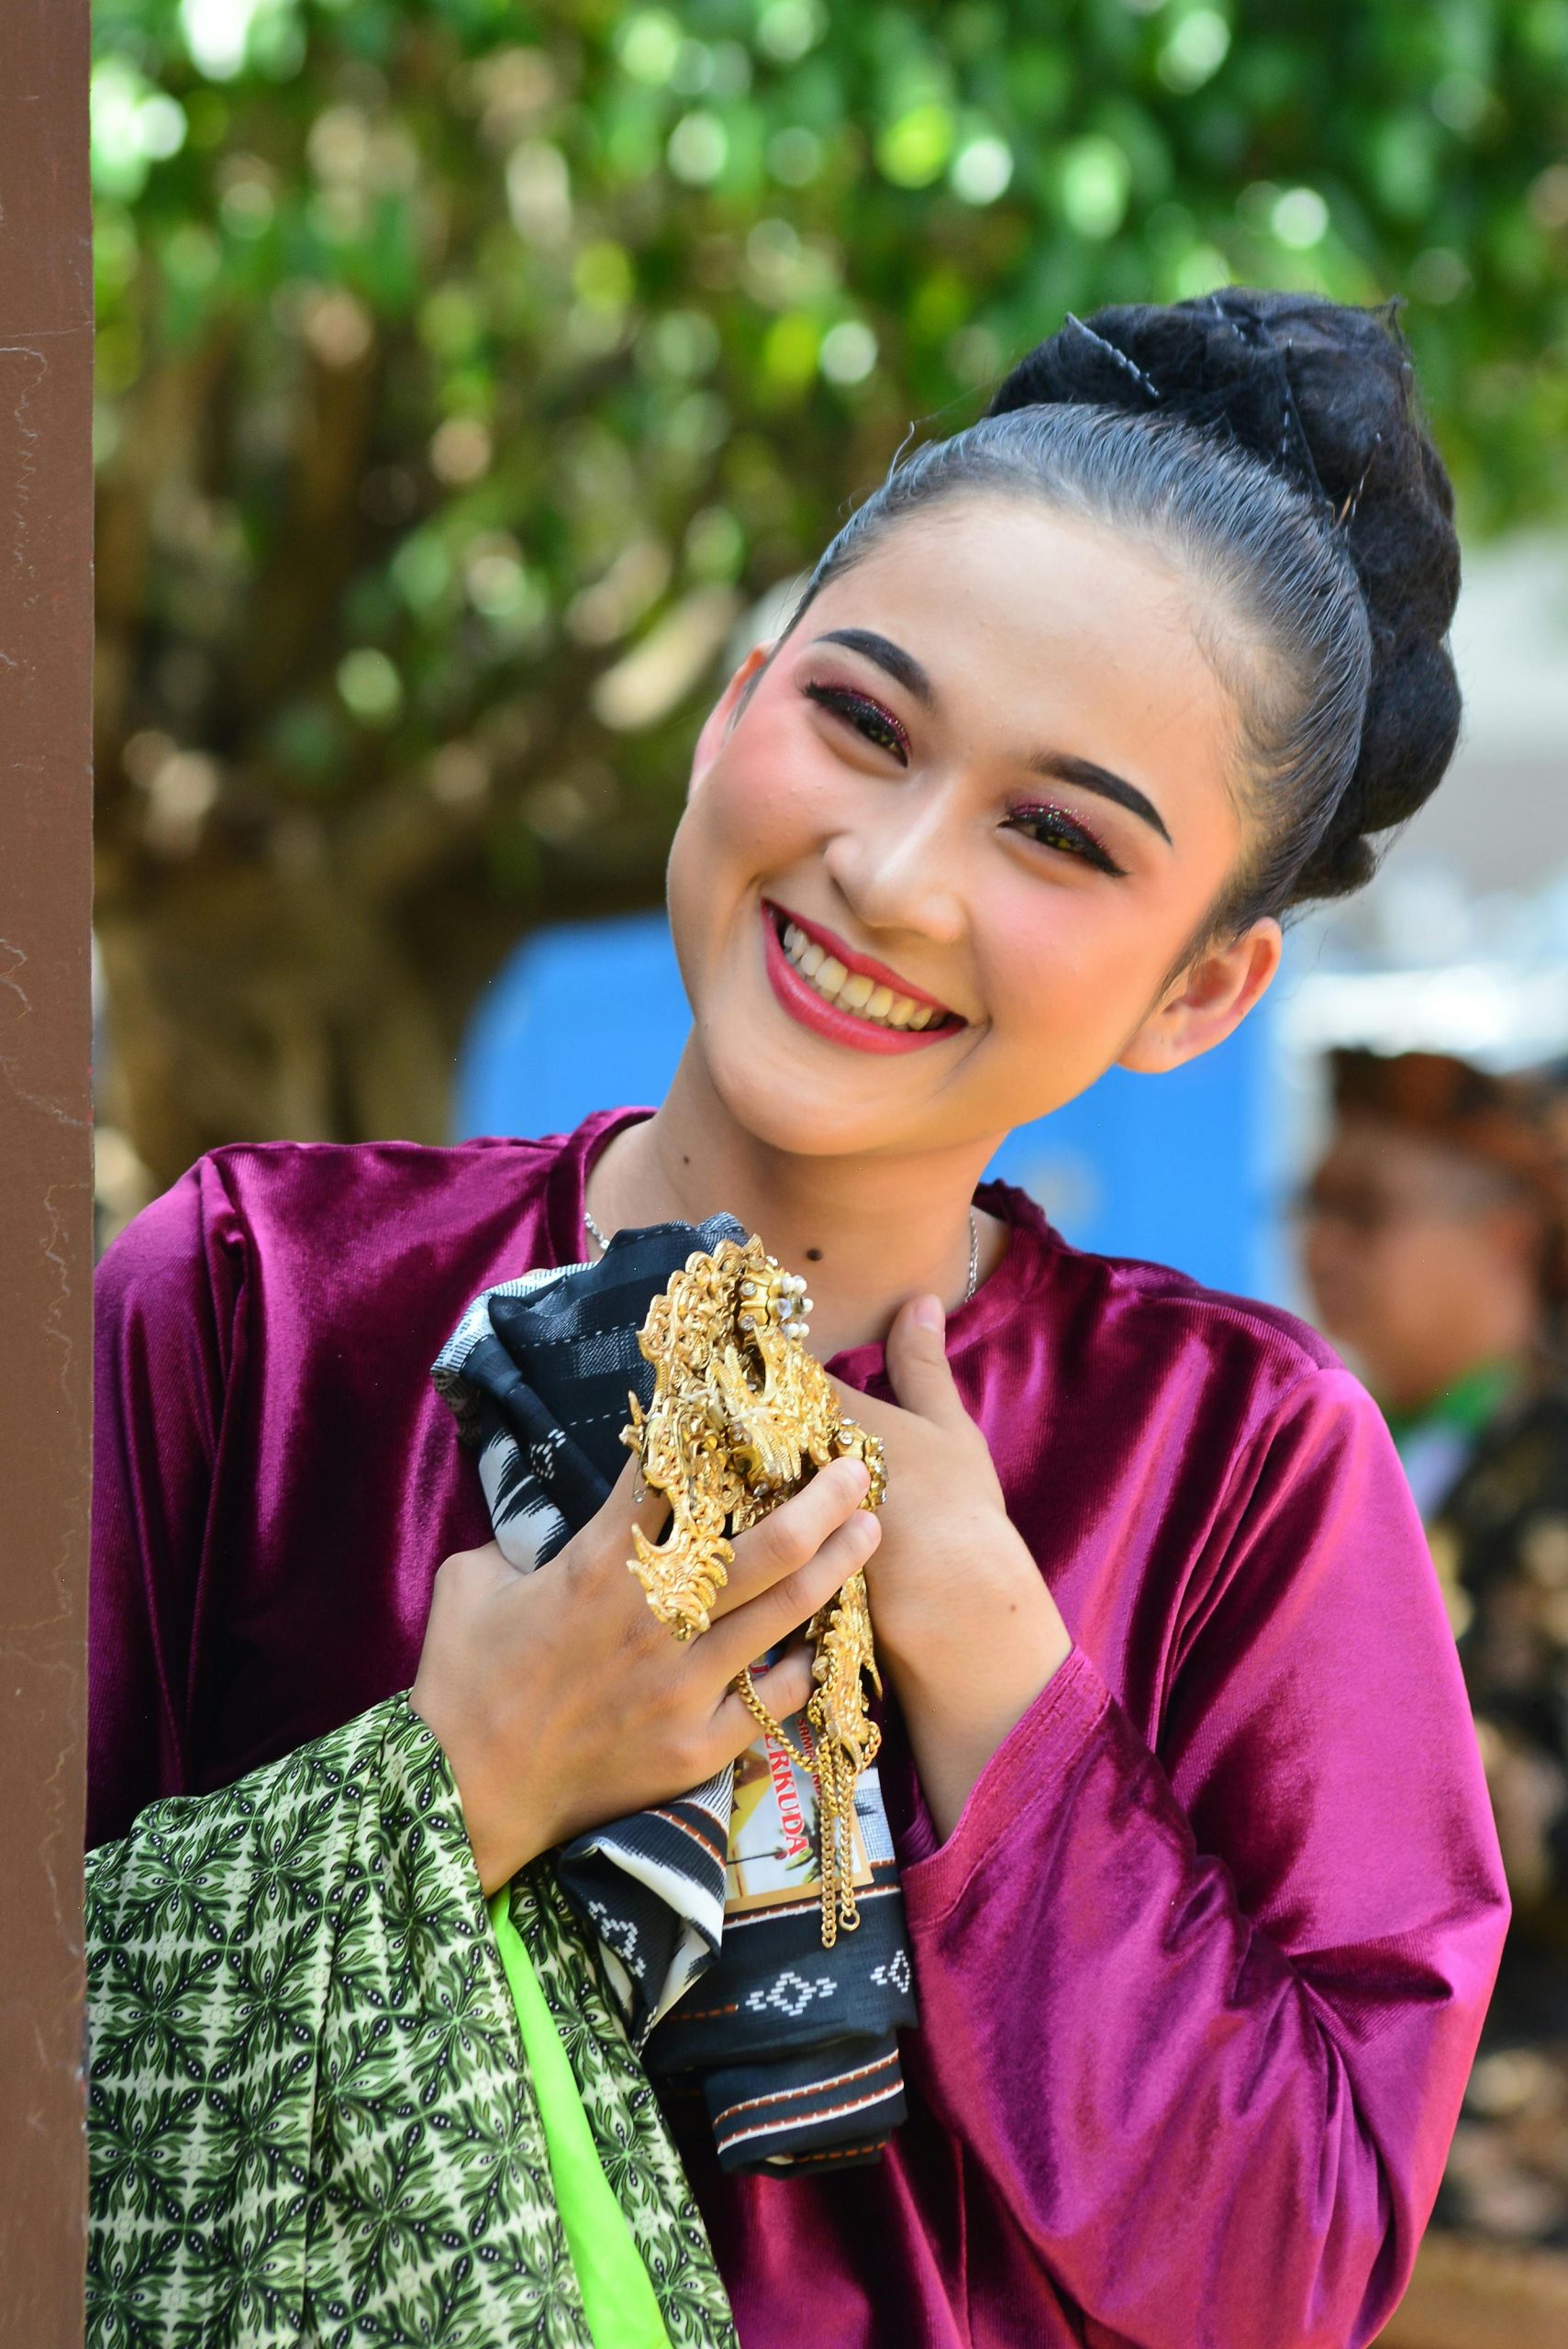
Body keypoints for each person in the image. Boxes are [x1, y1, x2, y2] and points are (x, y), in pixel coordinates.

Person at [87, 290, 1509, 2349]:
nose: (894, 872)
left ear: (1199, 991)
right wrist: (463, 1770)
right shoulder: (256, 1303)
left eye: (1058, 832)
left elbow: (1282, 2273)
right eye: (861, 719)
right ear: (733, 703)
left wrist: (1003, 1677)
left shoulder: (1241, 1462)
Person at [1302, 1046, 1568, 2248]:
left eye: (1363, 1211)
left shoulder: (1547, 1464)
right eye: (1308, 1207)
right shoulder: (1348, 1450)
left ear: (1505, 1234)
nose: (1323, 1248)